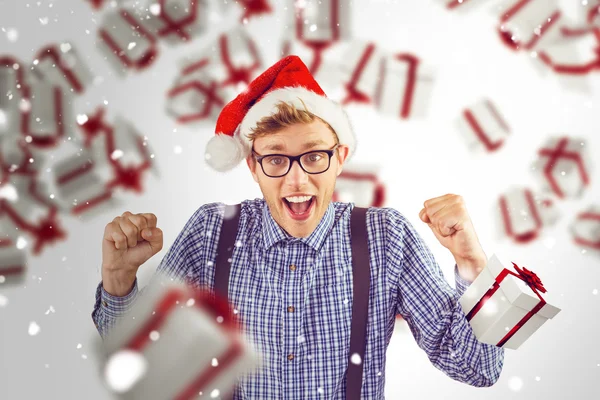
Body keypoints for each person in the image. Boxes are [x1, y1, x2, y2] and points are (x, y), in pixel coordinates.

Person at [92, 56, 504, 399]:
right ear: (252, 166)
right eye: (275, 159)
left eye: (313, 156)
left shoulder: (387, 239)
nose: (297, 181)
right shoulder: (212, 232)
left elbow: (480, 368)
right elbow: (142, 364)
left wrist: (470, 261)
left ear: (340, 157)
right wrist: (118, 279)